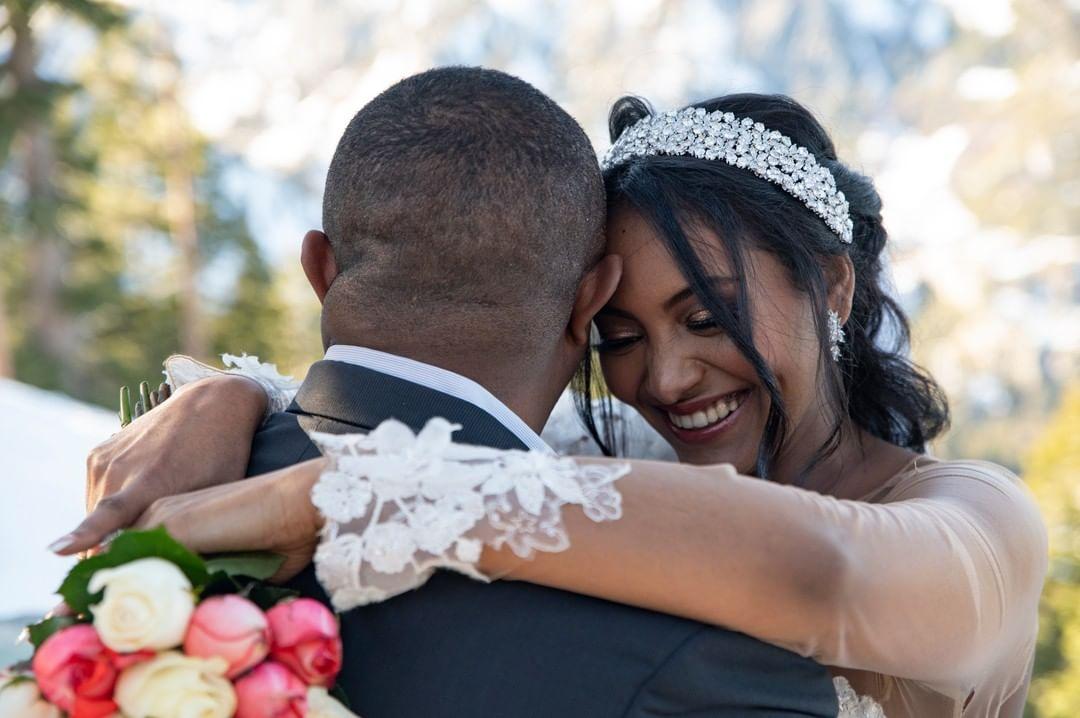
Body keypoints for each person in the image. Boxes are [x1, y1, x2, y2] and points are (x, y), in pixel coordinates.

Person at [61, 91, 1047, 716]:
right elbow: (417, 395)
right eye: (620, 335)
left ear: (830, 286)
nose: (665, 379)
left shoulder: (981, 517)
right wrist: (232, 396)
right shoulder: (589, 453)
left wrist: (340, 495)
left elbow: (822, 574)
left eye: (706, 318)